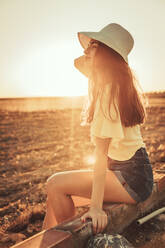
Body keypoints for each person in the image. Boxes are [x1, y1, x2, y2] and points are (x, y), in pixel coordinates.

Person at [42, 23, 153, 235]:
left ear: (106, 53)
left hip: (131, 178)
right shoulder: (114, 86)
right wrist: (93, 51)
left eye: (93, 44)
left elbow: (100, 155)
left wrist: (95, 207)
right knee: (54, 194)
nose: (85, 50)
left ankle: (74, 240)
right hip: (132, 172)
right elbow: (80, 62)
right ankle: (47, 242)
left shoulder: (110, 93)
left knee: (55, 183)